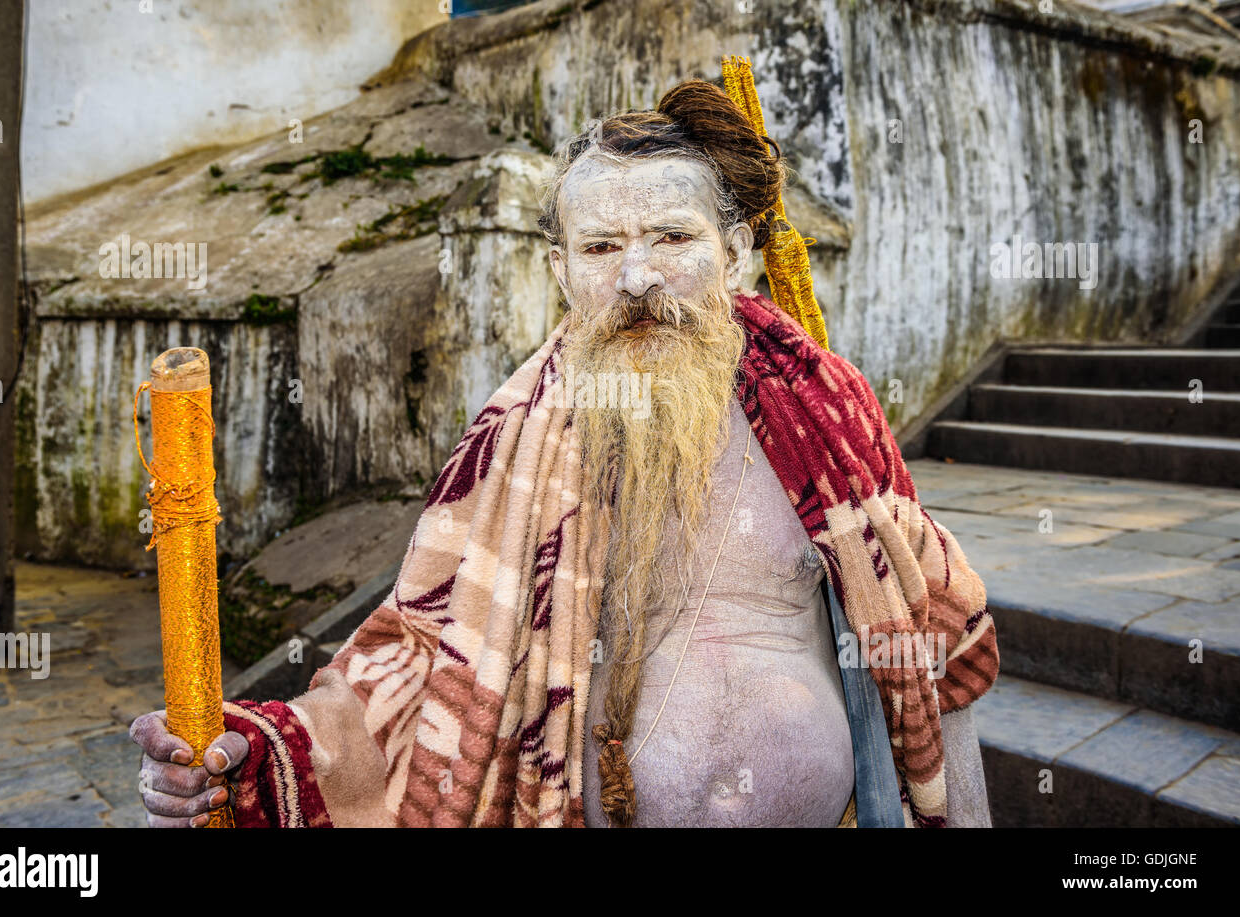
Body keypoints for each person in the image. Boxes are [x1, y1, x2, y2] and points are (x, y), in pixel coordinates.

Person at [131, 78, 999, 828]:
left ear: (735, 254)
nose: (635, 279)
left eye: (671, 237)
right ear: (559, 270)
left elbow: (935, 638)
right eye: (601, 248)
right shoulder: (511, 442)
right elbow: (422, 658)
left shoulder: (823, 409)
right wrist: (255, 753)